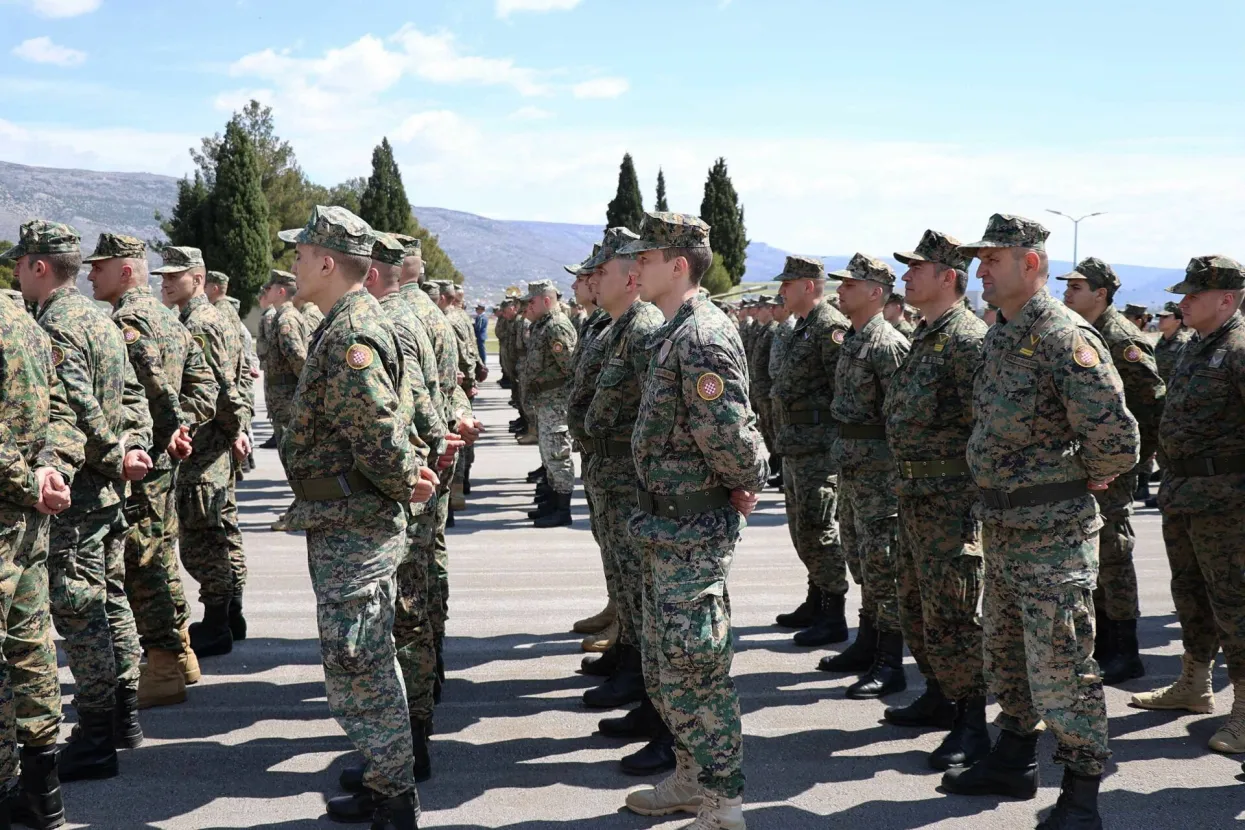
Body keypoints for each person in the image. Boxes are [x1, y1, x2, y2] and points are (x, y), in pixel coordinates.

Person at [943, 214, 1138, 830]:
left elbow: (1117, 437)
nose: (979, 271)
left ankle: (1082, 793)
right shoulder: (1002, 335)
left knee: (1062, 666)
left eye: (991, 260)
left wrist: (1086, 476)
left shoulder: (1064, 336)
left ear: (1031, 263)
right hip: (1002, 531)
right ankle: (1014, 758)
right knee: (1006, 655)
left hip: (1051, 536)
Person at [277, 206, 436, 830]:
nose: (292, 264)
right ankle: (382, 778)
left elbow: (376, 428)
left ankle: (394, 798)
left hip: (355, 520)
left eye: (299, 254)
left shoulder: (349, 335)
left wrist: (404, 480)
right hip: (343, 513)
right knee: (360, 655)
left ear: (325, 262)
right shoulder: (345, 321)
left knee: (360, 658)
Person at [619, 212, 764, 830]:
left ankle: (722, 800)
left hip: (693, 531)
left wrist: (744, 481)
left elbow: (732, 436)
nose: (636, 269)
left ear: (678, 265)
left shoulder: (701, 335)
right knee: (664, 666)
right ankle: (690, 777)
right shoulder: (675, 331)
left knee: (696, 667)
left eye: (646, 259)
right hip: (665, 530)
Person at [17, 221, 151, 783]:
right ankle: (121, 716)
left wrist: (116, 450)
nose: (17, 274)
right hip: (105, 487)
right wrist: (133, 444)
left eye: (20, 263)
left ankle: (96, 735)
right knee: (106, 600)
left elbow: (79, 401)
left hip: (82, 487)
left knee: (80, 613)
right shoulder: (99, 321)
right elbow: (133, 396)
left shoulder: (57, 324)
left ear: (39, 266)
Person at [86, 234, 218, 709]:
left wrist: (169, 431)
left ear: (124, 271)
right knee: (160, 554)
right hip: (162, 458)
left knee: (142, 564)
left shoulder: (128, 322)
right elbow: (205, 385)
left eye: (98, 268)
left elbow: (152, 388)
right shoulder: (171, 318)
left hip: (142, 460)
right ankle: (180, 655)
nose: (88, 276)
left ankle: (163, 667)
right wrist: (186, 428)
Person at [882, 230, 990, 769]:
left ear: (947, 277)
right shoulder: (927, 334)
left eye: (916, 268)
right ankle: (939, 693)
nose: (905, 277)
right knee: (917, 609)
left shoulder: (968, 340)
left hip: (952, 505)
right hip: (917, 499)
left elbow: (987, 428)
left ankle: (973, 722)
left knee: (956, 615)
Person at [1131, 255, 1245, 756]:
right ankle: (1194, 683)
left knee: (1236, 606)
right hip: (1183, 495)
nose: (1182, 302)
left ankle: (1243, 709)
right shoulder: (1198, 348)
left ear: (1226, 299)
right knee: (1191, 594)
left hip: (1229, 503)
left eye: (1193, 295)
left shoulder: (1240, 349)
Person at [0, 223, 88, 829]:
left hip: (13, 507)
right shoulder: (29, 325)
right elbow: (61, 410)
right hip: (30, 516)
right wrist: (51, 469)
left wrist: (34, 478)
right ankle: (43, 791)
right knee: (31, 647)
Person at [579, 230, 670, 774]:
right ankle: (633, 672)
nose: (592, 280)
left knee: (641, 587)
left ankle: (642, 686)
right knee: (626, 581)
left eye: (602, 272)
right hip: (607, 467)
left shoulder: (644, 329)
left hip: (629, 475)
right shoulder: (618, 328)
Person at [1059, 258, 1166, 685]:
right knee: (1095, 554)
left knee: (1114, 553)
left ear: (1101, 293)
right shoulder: (1083, 332)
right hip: (1088, 465)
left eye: (1077, 286)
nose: (1067, 292)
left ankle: (1125, 648)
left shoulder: (1123, 339)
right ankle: (1103, 642)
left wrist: (1130, 464)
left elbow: (1151, 406)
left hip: (1114, 470)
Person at [154, 247, 251, 659]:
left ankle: (217, 624)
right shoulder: (211, 317)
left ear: (197, 279)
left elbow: (220, 389)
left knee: (202, 540)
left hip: (206, 447)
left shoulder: (200, 323)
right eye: (163, 275)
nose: (165, 283)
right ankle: (230, 615)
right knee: (220, 530)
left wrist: (230, 432)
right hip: (215, 444)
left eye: (175, 276)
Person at [823, 254, 911, 699]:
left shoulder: (886, 344)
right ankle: (867, 641)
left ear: (876, 292)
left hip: (880, 474)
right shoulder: (854, 340)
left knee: (884, 565)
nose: (841, 291)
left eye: (851, 285)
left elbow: (903, 416)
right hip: (855, 468)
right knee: (860, 560)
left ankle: (890, 661)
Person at [768, 256, 851, 651]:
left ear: (809, 286)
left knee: (819, 528)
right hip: (796, 443)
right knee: (801, 528)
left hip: (819, 447)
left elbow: (844, 388)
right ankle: (815, 598)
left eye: (789, 283)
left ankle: (833, 612)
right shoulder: (802, 327)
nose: (782, 290)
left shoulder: (829, 327)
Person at [564, 253, 619, 653]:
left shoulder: (630, 324)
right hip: (598, 451)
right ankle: (617, 606)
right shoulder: (600, 324)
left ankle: (625, 626)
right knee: (608, 539)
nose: (581, 284)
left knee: (622, 545)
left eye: (589, 275)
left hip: (618, 456)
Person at [521, 280, 578, 527]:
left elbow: (571, 367)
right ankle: (554, 502)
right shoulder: (542, 326)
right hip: (546, 402)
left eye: (531, 302)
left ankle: (563, 509)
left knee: (558, 455)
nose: (527, 307)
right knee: (549, 455)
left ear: (546, 301)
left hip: (557, 404)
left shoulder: (556, 326)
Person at [1153, 301, 1193, 384]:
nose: (1160, 319)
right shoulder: (1161, 342)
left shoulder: (1184, 343)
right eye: (1160, 316)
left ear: (1177, 321)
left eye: (1165, 317)